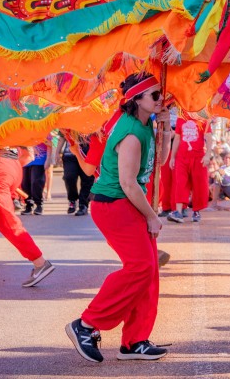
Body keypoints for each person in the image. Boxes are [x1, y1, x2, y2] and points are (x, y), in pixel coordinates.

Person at [66, 73, 172, 363]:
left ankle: (135, 341)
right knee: (140, 267)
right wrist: (151, 216)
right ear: (136, 100)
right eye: (154, 95)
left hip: (129, 203)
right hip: (114, 203)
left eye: (160, 93)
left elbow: (160, 161)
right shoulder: (130, 133)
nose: (161, 99)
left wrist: (168, 128)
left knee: (149, 272)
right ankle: (86, 324)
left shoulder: (146, 123)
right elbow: (128, 183)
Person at [0, 145, 55, 287]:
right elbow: (28, 155)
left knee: (6, 222)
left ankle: (40, 262)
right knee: (5, 220)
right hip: (12, 165)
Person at [168, 114, 208, 223]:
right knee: (180, 183)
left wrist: (208, 154)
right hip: (182, 157)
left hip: (198, 157)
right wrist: (173, 157)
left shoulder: (203, 118)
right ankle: (179, 212)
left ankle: (196, 210)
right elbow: (177, 138)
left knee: (198, 184)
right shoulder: (181, 118)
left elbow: (208, 136)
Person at [60, 133, 94, 216]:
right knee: (69, 177)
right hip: (70, 154)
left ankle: (83, 204)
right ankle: (72, 199)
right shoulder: (67, 121)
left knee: (87, 179)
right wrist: (58, 152)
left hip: (88, 153)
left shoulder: (91, 121)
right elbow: (62, 136)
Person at [20, 142, 48, 215]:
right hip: (26, 158)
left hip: (39, 158)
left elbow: (51, 144)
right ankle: (28, 204)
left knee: (36, 182)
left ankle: (39, 204)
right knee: (25, 183)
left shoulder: (43, 132)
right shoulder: (22, 131)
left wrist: (50, 159)